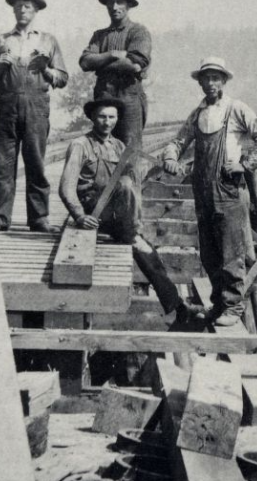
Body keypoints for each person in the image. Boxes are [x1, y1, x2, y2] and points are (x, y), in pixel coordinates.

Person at [59, 98, 192, 329]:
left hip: (115, 214)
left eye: (111, 117)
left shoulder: (119, 146)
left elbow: (135, 184)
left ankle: (178, 309)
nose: (107, 122)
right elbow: (66, 187)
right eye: (102, 116)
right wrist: (79, 216)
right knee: (126, 188)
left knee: (148, 252)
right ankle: (133, 235)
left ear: (117, 119)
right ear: (92, 118)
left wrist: (163, 166)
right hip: (94, 211)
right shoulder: (81, 145)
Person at [161, 57, 257, 326]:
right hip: (202, 190)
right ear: (200, 82)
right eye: (206, 78)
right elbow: (179, 141)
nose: (211, 83)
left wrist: (245, 164)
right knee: (209, 252)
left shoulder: (235, 109)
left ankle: (233, 308)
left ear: (224, 81)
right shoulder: (199, 112)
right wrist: (170, 157)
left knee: (230, 251)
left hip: (227, 190)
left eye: (216, 78)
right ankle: (218, 304)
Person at [0, 0, 68, 232]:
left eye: (28, 6)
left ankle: (39, 218)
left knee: (36, 162)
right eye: (18, 6)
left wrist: (46, 70)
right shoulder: (1, 40)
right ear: (13, 9)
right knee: (2, 163)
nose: (22, 10)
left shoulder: (48, 40)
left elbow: (62, 78)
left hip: (36, 107)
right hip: (7, 106)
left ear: (36, 10)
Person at [79, 0, 152, 150]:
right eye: (110, 2)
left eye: (119, 2)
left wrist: (99, 63)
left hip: (129, 97)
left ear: (128, 5)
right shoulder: (99, 35)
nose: (114, 6)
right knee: (102, 148)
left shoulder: (138, 32)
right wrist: (112, 54)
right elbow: (84, 61)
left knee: (130, 151)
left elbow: (135, 64)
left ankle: (130, 178)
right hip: (103, 97)